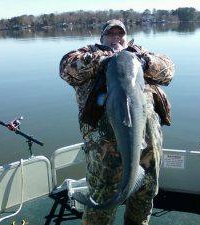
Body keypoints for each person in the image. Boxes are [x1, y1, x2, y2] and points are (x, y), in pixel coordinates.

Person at [59, 19, 175, 225]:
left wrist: (143, 61)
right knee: (101, 205)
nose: (115, 38)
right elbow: (66, 68)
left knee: (143, 199)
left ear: (127, 37)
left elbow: (168, 70)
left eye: (119, 34)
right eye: (110, 34)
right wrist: (104, 60)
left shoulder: (140, 54)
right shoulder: (88, 54)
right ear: (101, 38)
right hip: (105, 152)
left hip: (148, 148)